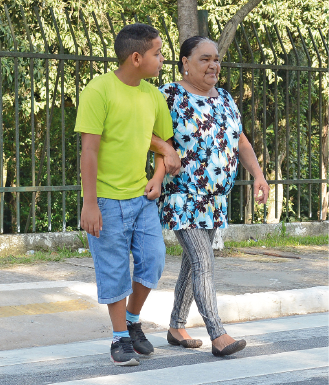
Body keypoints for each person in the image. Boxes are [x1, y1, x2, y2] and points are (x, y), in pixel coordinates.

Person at [74, 23, 180, 367]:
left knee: (154, 260)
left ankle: (133, 320)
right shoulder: (99, 89)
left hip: (141, 198)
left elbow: (167, 146)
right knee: (114, 270)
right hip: (104, 199)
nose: (162, 60)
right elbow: (88, 150)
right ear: (136, 58)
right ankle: (120, 338)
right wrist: (90, 203)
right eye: (157, 53)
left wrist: (159, 177)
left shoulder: (152, 96)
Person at [158, 36, 269, 357]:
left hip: (214, 199)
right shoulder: (169, 95)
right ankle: (218, 334)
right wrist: (166, 148)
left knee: (193, 264)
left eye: (216, 59)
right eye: (205, 59)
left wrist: (259, 175)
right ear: (185, 62)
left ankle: (176, 327)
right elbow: (143, 131)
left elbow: (240, 141)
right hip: (182, 195)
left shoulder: (224, 98)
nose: (213, 65)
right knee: (203, 261)